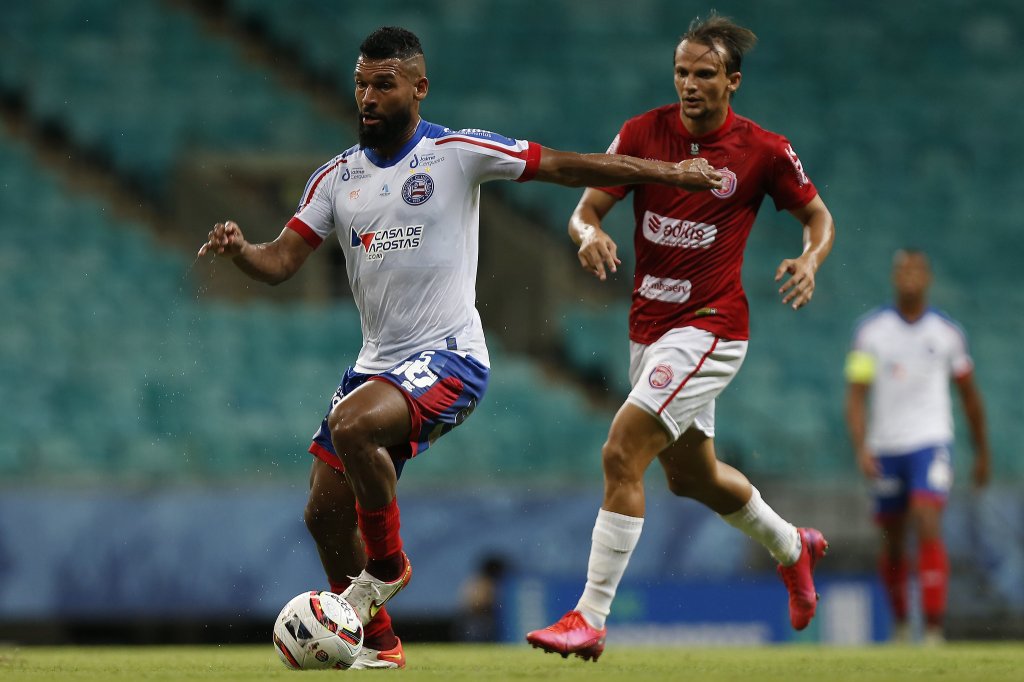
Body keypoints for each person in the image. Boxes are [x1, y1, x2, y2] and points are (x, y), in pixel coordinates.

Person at [198, 26, 724, 670]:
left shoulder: (455, 152)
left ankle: (387, 569)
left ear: (418, 88)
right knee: (323, 514)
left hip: (451, 358)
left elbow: (560, 164)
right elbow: (279, 261)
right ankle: (382, 643)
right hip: (377, 363)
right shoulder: (336, 178)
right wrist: (241, 250)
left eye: (383, 84)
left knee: (354, 427)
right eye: (360, 83)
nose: (367, 96)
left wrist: (670, 172)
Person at [525, 13, 836, 661]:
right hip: (648, 331)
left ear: (733, 81)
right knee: (693, 478)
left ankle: (590, 617)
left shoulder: (763, 151)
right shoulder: (643, 132)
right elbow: (584, 210)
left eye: (703, 74)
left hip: (712, 330)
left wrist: (809, 259)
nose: (689, 85)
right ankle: (792, 546)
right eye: (681, 72)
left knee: (621, 451)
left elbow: (817, 216)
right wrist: (590, 236)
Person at [845, 249, 990, 644]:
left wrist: (982, 451)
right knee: (892, 540)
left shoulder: (947, 333)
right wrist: (862, 447)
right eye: (902, 269)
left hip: (930, 439)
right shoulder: (870, 332)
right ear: (894, 278)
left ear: (927, 278)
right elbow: (856, 395)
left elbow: (969, 396)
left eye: (916, 269)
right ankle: (902, 624)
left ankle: (934, 629)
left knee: (926, 518)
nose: (909, 276)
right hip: (886, 445)